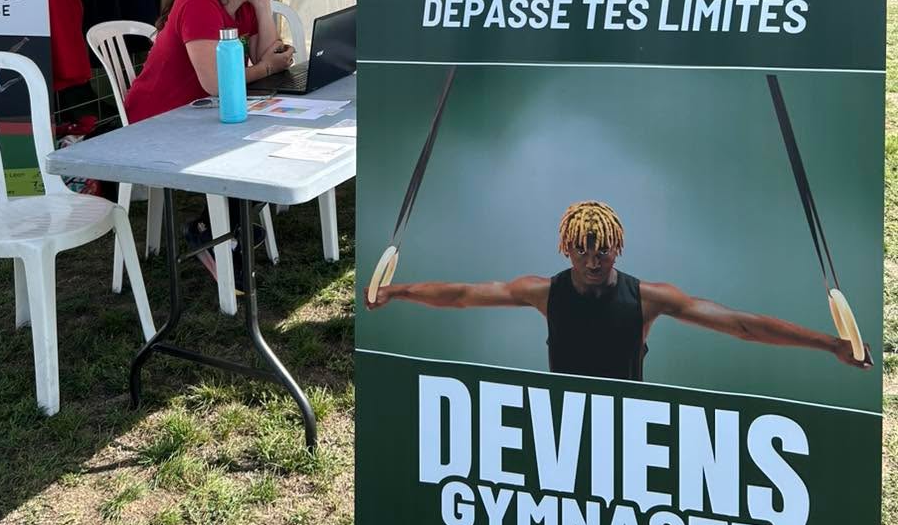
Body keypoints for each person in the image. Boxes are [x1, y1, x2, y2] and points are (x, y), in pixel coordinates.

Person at [367, 200, 869, 381]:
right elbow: (461, 295)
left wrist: (829, 344)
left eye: (602, 250)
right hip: (561, 417)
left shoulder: (649, 298)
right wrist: (398, 290)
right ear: (567, 250)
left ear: (617, 248)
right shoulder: (543, 292)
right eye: (582, 250)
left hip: (628, 416)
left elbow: (741, 326)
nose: (592, 260)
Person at [125, 0, 294, 124]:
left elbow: (268, 55)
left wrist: (263, 4)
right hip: (158, 118)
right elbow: (216, 83)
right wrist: (267, 68)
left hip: (207, 112)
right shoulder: (197, 2)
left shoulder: (244, 4)